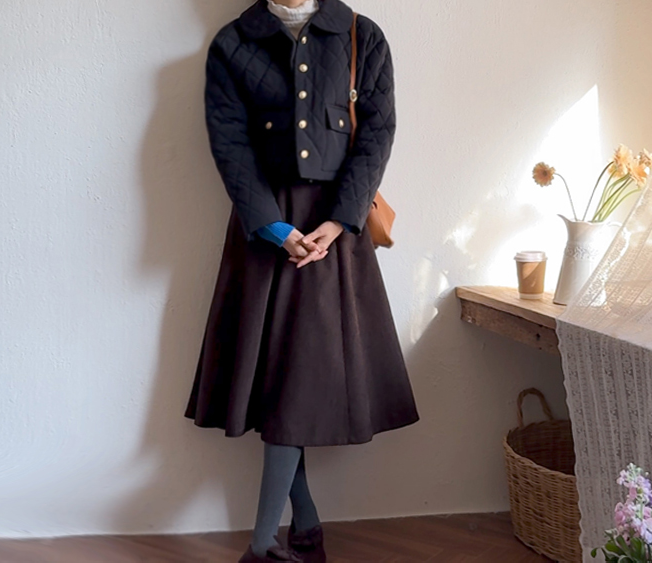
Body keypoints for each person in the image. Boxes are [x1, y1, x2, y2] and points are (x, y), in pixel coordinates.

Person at [184, 0, 419, 560]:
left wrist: (338, 222)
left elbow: (378, 133)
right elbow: (230, 144)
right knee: (281, 383)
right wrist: (273, 227)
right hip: (267, 232)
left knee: (298, 383)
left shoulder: (363, 35)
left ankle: (266, 543)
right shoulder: (232, 43)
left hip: (335, 231)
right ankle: (299, 530)